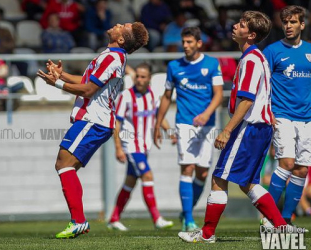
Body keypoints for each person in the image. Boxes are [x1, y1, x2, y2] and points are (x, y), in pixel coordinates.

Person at [177, 11, 291, 244]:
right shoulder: (257, 58)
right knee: (248, 182)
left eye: (241, 25)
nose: (235, 26)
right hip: (259, 128)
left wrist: (227, 129)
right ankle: (281, 227)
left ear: (250, 34)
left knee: (219, 178)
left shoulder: (250, 59)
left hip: (248, 128)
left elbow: (247, 100)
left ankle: (207, 234)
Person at [37, 22, 149, 239]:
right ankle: (78, 221)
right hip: (97, 120)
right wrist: (62, 75)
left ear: (122, 39)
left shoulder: (112, 57)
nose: (117, 24)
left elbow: (88, 90)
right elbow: (88, 81)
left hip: (93, 119)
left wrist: (57, 85)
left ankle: (78, 221)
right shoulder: (111, 55)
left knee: (63, 164)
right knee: (67, 167)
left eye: (122, 26)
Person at [154, 27, 223, 232]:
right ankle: (190, 220)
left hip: (207, 125)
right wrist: (158, 124)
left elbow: (218, 95)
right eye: (184, 42)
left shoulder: (212, 64)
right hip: (184, 123)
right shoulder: (174, 66)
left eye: (190, 42)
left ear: (199, 43)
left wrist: (206, 114)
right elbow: (166, 97)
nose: (185, 45)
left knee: (202, 174)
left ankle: (186, 211)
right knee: (188, 168)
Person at [108, 63, 174, 231]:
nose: (139, 79)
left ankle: (114, 219)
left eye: (143, 76)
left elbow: (159, 116)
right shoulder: (126, 96)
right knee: (147, 175)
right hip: (131, 146)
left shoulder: (153, 95)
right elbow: (117, 123)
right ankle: (157, 219)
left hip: (145, 147)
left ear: (149, 79)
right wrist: (118, 147)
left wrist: (170, 132)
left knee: (130, 182)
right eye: (137, 76)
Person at [262, 5, 311, 228]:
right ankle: (269, 216)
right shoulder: (272, 51)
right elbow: (261, 83)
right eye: (285, 22)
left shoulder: (310, 51)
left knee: (301, 169)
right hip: (282, 115)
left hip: (307, 119)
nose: (288, 26)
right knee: (287, 164)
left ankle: (286, 219)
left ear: (302, 24)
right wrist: (267, 111)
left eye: (293, 22)